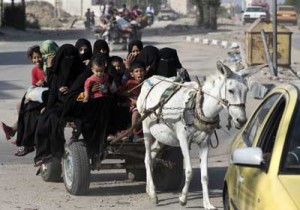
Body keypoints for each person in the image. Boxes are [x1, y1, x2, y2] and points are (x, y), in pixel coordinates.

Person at [34, 44, 85, 166]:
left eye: (72, 57)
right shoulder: (57, 73)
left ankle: (57, 152)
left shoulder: (82, 73)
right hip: (60, 104)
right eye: (66, 57)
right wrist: (49, 106)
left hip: (77, 105)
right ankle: (44, 153)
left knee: (55, 119)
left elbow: (85, 90)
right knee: (45, 119)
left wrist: (72, 91)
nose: (69, 60)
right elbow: (52, 91)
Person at [118, 61, 145, 142]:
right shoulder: (129, 83)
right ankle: (134, 132)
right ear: (132, 74)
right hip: (132, 104)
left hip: (144, 104)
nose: (139, 73)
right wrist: (125, 93)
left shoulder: (147, 82)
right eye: (136, 71)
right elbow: (120, 93)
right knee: (136, 111)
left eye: (141, 71)